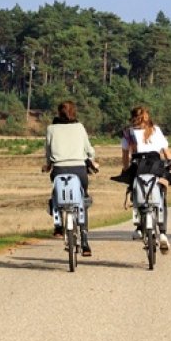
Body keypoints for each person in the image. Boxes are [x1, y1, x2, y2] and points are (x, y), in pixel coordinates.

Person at [44, 100, 97, 257]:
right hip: (79, 170)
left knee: (55, 194)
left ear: (58, 113)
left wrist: (48, 165)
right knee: (83, 200)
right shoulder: (79, 127)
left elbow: (48, 151)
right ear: (74, 112)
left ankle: (58, 225)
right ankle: (85, 241)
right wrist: (92, 159)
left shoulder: (51, 129)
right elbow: (89, 149)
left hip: (59, 169)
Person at [119, 105, 171, 252]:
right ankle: (162, 233)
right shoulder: (156, 130)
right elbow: (166, 152)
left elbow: (125, 156)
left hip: (138, 166)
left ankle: (138, 226)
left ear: (132, 118)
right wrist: (170, 164)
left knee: (135, 188)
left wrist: (125, 169)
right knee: (162, 193)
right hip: (156, 165)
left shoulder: (128, 133)